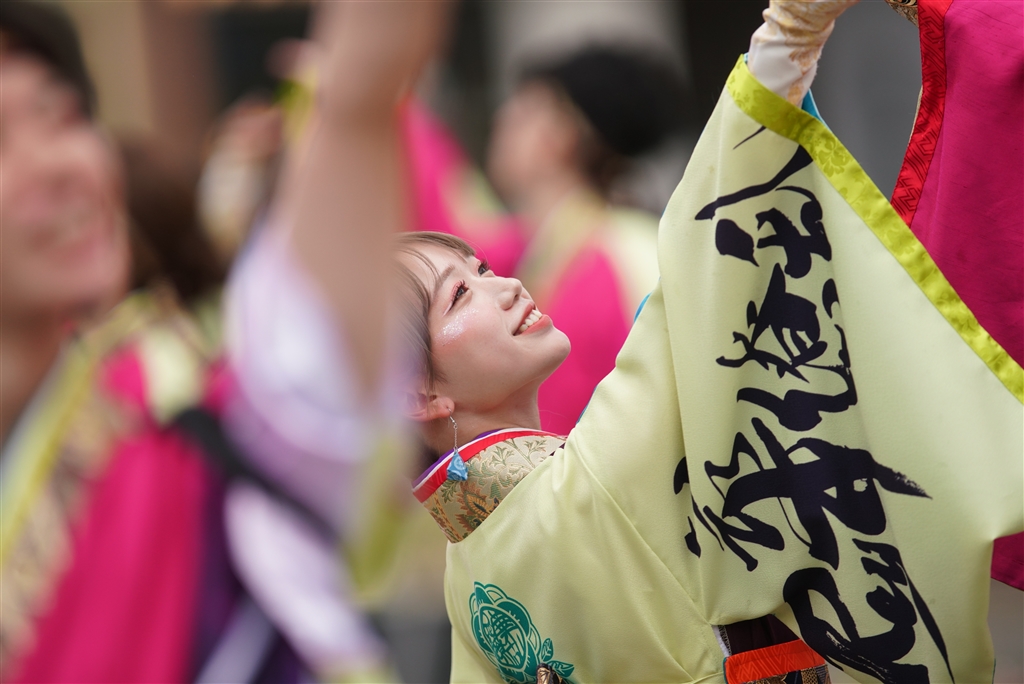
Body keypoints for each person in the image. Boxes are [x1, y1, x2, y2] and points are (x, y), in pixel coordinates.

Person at [394, 1, 1022, 682]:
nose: (505, 285)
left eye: (483, 270)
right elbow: (704, 282)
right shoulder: (588, 484)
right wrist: (788, 35)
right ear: (416, 393)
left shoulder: (470, 577)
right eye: (461, 295)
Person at [487, 47, 684, 434]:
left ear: (559, 136)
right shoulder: (552, 251)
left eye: (524, 112)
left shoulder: (612, 258)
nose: (502, 119)